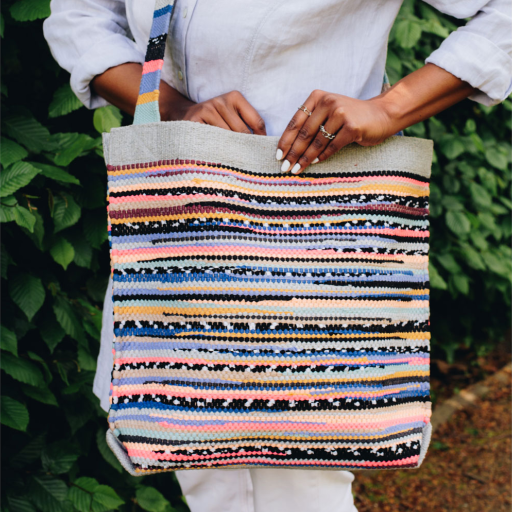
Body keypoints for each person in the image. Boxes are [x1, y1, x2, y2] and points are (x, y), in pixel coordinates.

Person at [43, 1, 512, 511]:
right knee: (209, 482)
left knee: (301, 491)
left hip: (320, 253)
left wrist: (390, 108)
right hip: (183, 259)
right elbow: (79, 16)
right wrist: (174, 109)